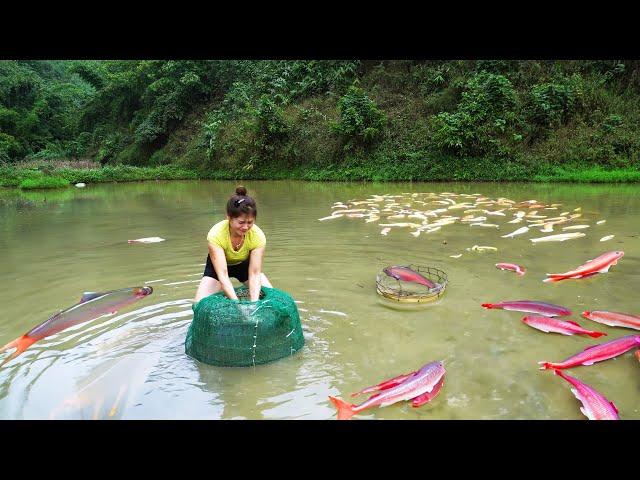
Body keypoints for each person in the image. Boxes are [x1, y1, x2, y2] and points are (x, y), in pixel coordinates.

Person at [194, 186, 273, 303]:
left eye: (250, 222)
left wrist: (254, 304)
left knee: (270, 296)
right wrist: (237, 304)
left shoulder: (258, 236)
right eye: (241, 222)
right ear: (229, 217)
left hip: (244, 265)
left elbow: (255, 273)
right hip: (219, 268)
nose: (246, 227)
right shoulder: (216, 235)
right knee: (199, 303)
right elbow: (223, 275)